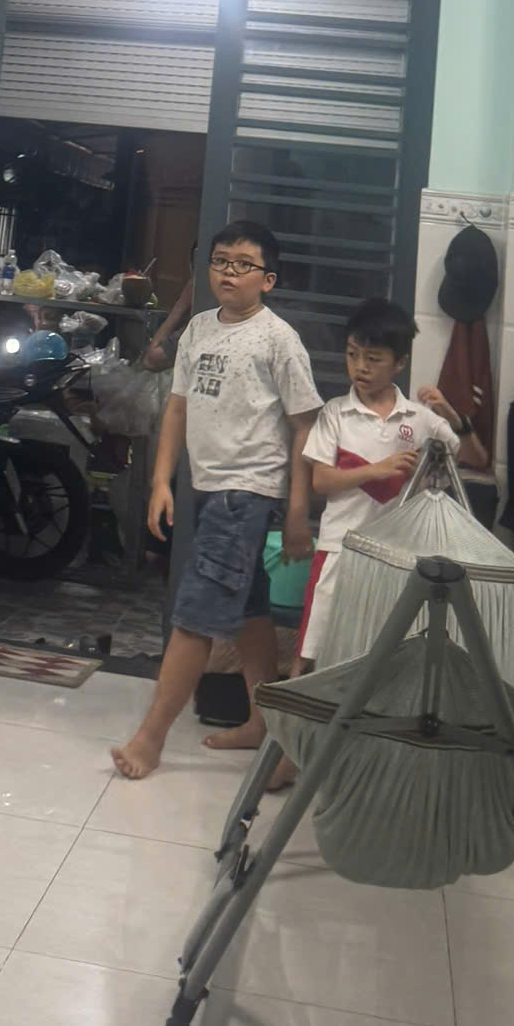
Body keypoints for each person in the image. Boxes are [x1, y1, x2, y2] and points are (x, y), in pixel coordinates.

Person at [109, 220, 320, 780]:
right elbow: (177, 407)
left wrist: (298, 512)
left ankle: (150, 739)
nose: (229, 272)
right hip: (206, 488)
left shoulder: (279, 340)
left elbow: (306, 426)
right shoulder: (199, 329)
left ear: (267, 279)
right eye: (221, 261)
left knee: (196, 617)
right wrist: (161, 481)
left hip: (246, 494)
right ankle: (264, 725)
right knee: (249, 612)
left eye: (243, 264)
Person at [293, 296, 473, 672]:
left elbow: (472, 457)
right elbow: (321, 481)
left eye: (373, 359)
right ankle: (293, 711)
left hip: (397, 556)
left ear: (399, 363)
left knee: (379, 656)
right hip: (339, 548)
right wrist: (376, 470)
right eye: (352, 354)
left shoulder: (419, 418)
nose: (360, 367)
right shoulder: (335, 413)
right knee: (311, 652)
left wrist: (452, 416)